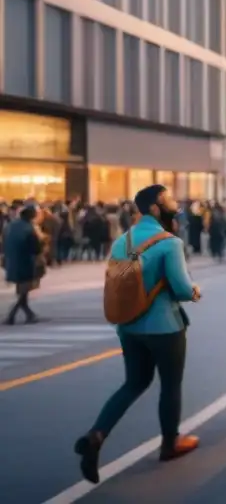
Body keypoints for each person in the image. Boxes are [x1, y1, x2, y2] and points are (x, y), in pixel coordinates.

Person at [74, 185, 201, 484]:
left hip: (129, 326)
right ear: (155, 208)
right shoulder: (169, 243)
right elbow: (181, 289)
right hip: (164, 327)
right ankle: (170, 443)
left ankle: (96, 435)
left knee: (133, 382)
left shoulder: (122, 241)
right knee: (170, 384)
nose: (174, 202)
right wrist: (195, 291)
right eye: (169, 198)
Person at [3, 204, 43, 325]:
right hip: (25, 261)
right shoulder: (29, 228)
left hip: (12, 261)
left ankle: (29, 315)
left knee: (21, 290)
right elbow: (35, 248)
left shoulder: (10, 226)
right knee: (24, 291)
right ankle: (11, 315)